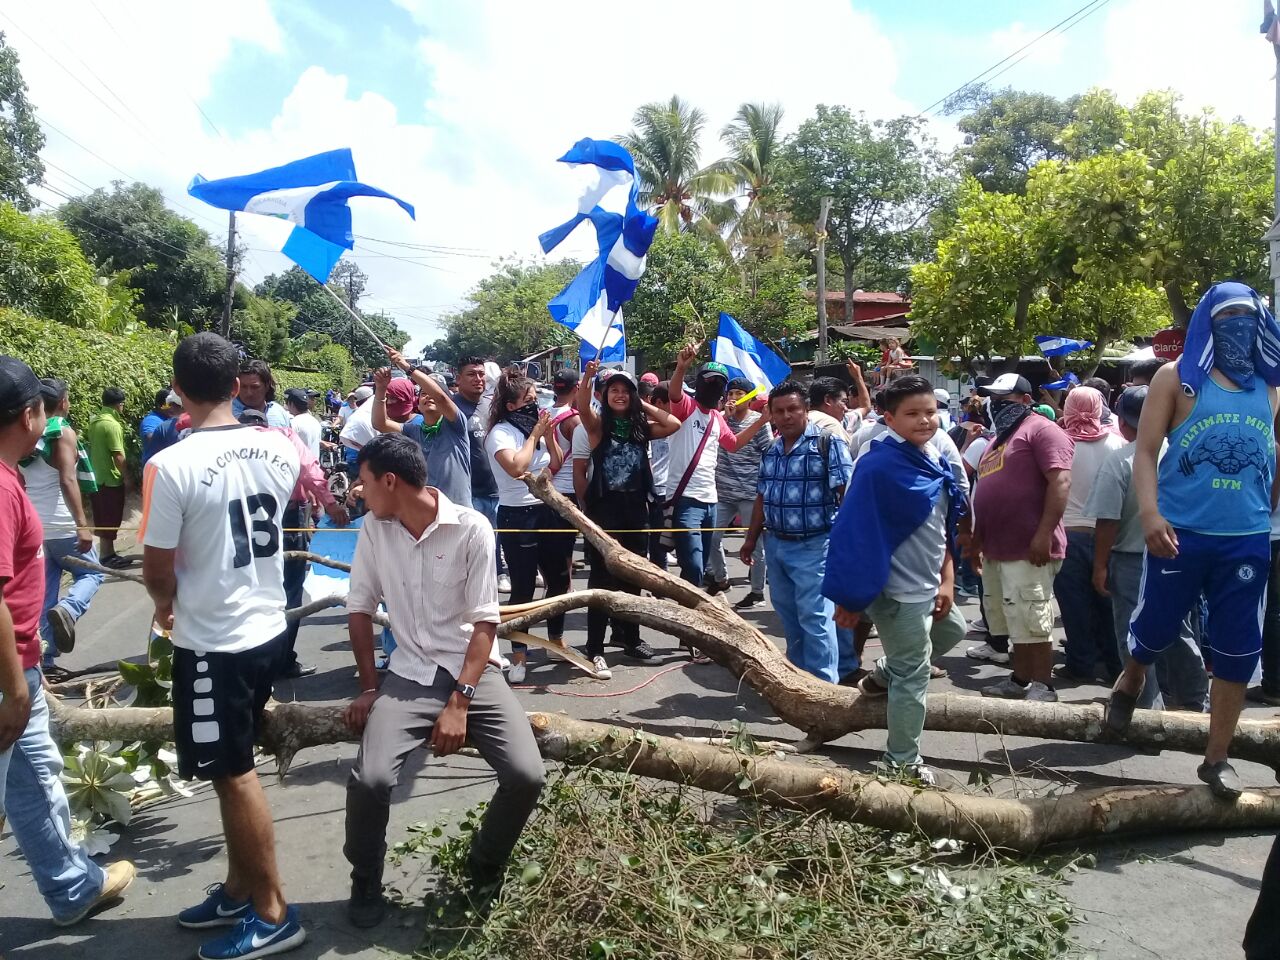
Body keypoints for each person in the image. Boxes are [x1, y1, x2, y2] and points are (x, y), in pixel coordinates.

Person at [140, 333, 305, 958]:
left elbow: (157, 568)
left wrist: (164, 607)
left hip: (215, 641)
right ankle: (240, 889)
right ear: (238, 386)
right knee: (227, 767)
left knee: (234, 773)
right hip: (266, 625)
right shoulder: (278, 447)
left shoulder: (170, 465)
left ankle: (273, 911)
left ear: (178, 390)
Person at [341, 433, 545, 927]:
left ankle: (484, 864)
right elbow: (360, 609)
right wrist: (370, 687)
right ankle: (365, 876)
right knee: (370, 780)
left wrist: (460, 702)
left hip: (473, 673)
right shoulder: (375, 528)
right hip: (408, 674)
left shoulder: (472, 527)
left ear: (390, 481)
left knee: (526, 776)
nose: (358, 493)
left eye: (364, 483)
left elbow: (484, 624)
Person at [1106, 282, 1280, 800]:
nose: (1240, 326)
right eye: (1227, 316)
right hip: (1180, 534)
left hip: (1246, 539)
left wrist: (1267, 504)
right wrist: (1152, 513)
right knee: (1157, 626)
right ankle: (1132, 678)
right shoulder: (1178, 378)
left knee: (1237, 651)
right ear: (1207, 319)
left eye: (1249, 317)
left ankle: (1217, 757)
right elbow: (1145, 451)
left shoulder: (1270, 385)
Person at [0, 355, 136, 927]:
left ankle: (73, 886)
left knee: (36, 782)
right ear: (33, 414)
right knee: (33, 779)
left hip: (20, 667)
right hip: (9, 674)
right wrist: (14, 687)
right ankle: (73, 885)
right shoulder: (2, 488)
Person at [824, 376, 969, 784]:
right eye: (912, 414)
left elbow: (942, 525)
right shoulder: (876, 466)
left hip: (929, 583)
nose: (924, 420)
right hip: (896, 591)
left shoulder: (933, 456)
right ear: (889, 418)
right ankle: (901, 761)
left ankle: (881, 675)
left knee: (953, 631)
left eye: (930, 412)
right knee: (915, 676)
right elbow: (853, 532)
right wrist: (848, 598)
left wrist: (948, 580)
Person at [1086, 385, 1208, 712]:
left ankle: (1144, 708)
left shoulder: (1121, 460)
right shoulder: (1185, 454)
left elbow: (1107, 521)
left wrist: (1100, 566)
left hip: (1130, 560)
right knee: (1179, 630)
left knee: (1134, 635)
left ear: (1124, 423)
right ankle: (1196, 701)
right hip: (1179, 553)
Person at [965, 374, 1073, 703]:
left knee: (1032, 617)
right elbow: (984, 491)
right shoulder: (999, 440)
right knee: (1013, 618)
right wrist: (977, 540)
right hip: (999, 547)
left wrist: (1042, 534)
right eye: (993, 399)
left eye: (1005, 399)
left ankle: (1043, 685)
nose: (996, 405)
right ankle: (1020, 678)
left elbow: (1060, 483)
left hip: (1030, 547)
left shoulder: (1043, 430)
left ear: (1026, 400)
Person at [740, 380, 852, 683]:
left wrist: (849, 546)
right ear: (771, 415)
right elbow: (762, 496)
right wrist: (750, 540)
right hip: (775, 545)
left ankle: (824, 689)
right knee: (789, 618)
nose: (787, 416)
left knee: (815, 619)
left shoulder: (827, 444)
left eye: (793, 409)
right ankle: (800, 680)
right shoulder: (773, 450)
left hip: (815, 545)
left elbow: (848, 496)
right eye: (780, 411)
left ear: (805, 410)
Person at [574, 363, 680, 674]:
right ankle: (595, 648)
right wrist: (588, 377)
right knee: (601, 580)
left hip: (636, 510)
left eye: (626, 391)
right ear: (604, 396)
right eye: (614, 391)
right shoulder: (596, 426)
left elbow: (672, 422)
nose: (620, 396)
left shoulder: (640, 427)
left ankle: (631, 639)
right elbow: (582, 404)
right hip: (603, 511)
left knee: (633, 578)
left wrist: (640, 402)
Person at [666, 343, 772, 588]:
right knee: (691, 563)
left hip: (711, 500)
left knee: (701, 565)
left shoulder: (716, 418)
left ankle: (691, 607)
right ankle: (688, 606)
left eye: (718, 382)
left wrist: (761, 422)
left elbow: (733, 444)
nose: (713, 385)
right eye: (708, 380)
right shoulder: (686, 408)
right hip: (685, 499)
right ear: (699, 383)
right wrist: (681, 368)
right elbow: (674, 394)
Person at [484, 370, 566, 683]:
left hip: (548, 509)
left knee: (558, 581)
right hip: (517, 514)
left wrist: (547, 435)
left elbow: (555, 462)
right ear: (510, 405)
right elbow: (517, 467)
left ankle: (556, 639)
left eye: (535, 401)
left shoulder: (537, 429)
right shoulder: (500, 433)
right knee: (523, 587)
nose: (534, 406)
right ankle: (519, 654)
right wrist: (534, 436)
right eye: (528, 401)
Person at [18, 379, 103, 678]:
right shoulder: (62, 432)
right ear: (64, 402)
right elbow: (68, 480)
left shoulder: (26, 434)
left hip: (36, 528)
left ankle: (45, 661)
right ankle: (70, 608)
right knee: (92, 572)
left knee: (44, 595)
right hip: (64, 525)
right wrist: (83, 526)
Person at [1053, 386, 1127, 683]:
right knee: (1109, 605)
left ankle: (1080, 664)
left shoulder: (1058, 443)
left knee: (1074, 606)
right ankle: (1115, 666)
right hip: (1109, 537)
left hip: (1067, 536)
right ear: (1100, 408)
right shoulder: (1118, 444)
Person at [705, 377, 772, 605]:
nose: (733, 397)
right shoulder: (720, 419)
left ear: (749, 398)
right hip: (722, 491)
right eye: (730, 393)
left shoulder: (759, 422)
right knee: (711, 537)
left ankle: (756, 591)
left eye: (738, 393)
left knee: (754, 543)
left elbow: (770, 454)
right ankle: (721, 579)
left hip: (750, 492)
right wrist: (724, 415)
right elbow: (708, 435)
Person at [376, 349, 473, 508]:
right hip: (427, 513)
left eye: (432, 393)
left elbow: (440, 397)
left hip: (459, 511)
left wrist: (407, 367)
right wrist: (381, 389)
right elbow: (380, 424)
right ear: (418, 403)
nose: (428, 396)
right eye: (423, 394)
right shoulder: (413, 430)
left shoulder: (456, 425)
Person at [453, 356, 508, 593]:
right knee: (472, 542)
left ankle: (500, 572)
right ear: (458, 379)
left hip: (497, 488)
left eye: (481, 374)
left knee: (496, 538)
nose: (478, 379)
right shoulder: (451, 408)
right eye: (471, 374)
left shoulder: (493, 405)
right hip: (468, 491)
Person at [86, 385, 131, 568]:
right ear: (119, 405)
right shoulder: (112, 425)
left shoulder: (95, 422)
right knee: (111, 517)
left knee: (103, 517)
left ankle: (108, 553)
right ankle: (106, 555)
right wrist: (127, 477)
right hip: (111, 479)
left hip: (97, 478)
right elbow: (118, 455)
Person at [645, 382, 673, 570]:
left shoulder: (678, 422)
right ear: (660, 403)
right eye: (674, 401)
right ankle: (658, 587)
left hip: (675, 491)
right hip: (656, 491)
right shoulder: (645, 425)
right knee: (658, 547)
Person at [233, 359, 292, 428]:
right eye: (244, 387)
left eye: (255, 387)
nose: (249, 393)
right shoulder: (228, 415)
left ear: (267, 386)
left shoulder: (279, 412)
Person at [140, 388, 176, 467]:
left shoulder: (169, 418)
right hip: (154, 468)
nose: (172, 408)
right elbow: (148, 437)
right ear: (159, 406)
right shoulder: (151, 419)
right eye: (168, 405)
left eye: (174, 404)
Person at [284, 388, 322, 461]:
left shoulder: (294, 423)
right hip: (314, 468)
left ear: (291, 404)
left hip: (300, 468)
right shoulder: (315, 422)